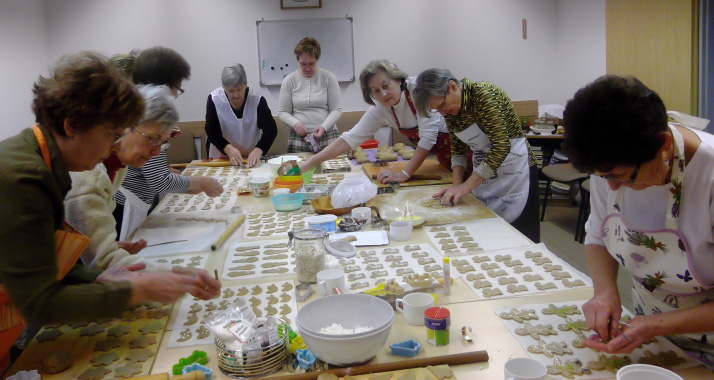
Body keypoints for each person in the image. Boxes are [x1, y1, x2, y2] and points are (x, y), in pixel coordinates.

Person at [0, 52, 220, 371]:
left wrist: (161, 274)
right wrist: (138, 288)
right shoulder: (25, 177)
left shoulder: (44, 163)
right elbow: (38, 302)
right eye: (111, 135)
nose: (112, 148)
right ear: (72, 125)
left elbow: (46, 259)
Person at [563, 75, 714, 365]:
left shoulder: (708, 179)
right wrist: (605, 292)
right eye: (603, 177)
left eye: (620, 176)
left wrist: (655, 326)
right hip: (653, 336)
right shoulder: (608, 164)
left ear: (663, 145)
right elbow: (597, 235)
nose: (612, 188)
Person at [65, 85, 215, 272]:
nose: (156, 152)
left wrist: (110, 246)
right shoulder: (90, 177)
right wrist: (172, 274)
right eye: (152, 138)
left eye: (162, 142)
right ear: (126, 126)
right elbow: (101, 263)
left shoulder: (119, 164)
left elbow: (92, 249)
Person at [413, 68, 540, 243]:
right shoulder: (451, 111)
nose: (443, 113)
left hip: (517, 172)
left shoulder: (483, 95)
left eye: (442, 106)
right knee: (491, 236)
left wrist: (465, 187)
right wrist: (456, 186)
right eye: (438, 110)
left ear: (452, 86)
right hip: (486, 174)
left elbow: (501, 146)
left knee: (521, 239)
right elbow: (458, 150)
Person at [112, 47, 223, 239]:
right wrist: (199, 183)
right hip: (123, 206)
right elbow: (158, 180)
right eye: (178, 89)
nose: (154, 151)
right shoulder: (147, 116)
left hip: (131, 202)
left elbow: (150, 171)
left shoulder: (142, 117)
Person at [300, 59, 459, 182]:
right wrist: (311, 162)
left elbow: (428, 136)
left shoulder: (419, 91)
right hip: (447, 161)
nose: (383, 94)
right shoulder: (380, 110)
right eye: (376, 91)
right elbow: (349, 139)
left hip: (464, 150)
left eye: (386, 85)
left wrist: (404, 173)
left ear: (398, 79)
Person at [205, 63, 277, 167]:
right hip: (221, 156)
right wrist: (228, 149)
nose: (235, 95)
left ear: (245, 83)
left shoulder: (256, 99)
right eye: (231, 91)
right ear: (223, 86)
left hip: (251, 157)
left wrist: (259, 149)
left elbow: (271, 129)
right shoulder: (215, 99)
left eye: (239, 89)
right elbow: (211, 131)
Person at [278, 37, 343, 153]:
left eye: (311, 63)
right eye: (303, 64)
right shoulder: (289, 80)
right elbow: (283, 112)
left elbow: (336, 109)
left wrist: (324, 127)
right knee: (299, 170)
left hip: (327, 134)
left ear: (317, 59)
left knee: (331, 170)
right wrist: (295, 124)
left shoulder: (328, 78)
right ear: (298, 60)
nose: (307, 68)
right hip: (299, 137)